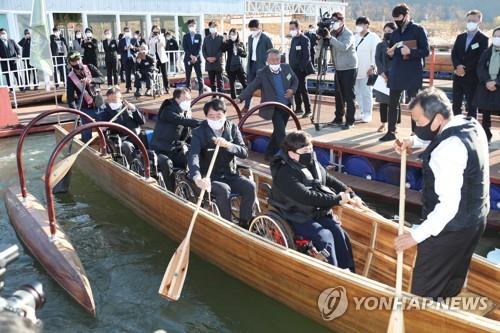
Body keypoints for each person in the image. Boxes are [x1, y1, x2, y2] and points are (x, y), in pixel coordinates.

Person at [394, 88, 489, 299]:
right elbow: (441, 136)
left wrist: (414, 236)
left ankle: (423, 320)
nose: (417, 128)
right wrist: (414, 141)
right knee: (451, 279)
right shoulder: (470, 124)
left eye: (419, 123)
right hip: (476, 220)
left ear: (437, 118)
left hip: (451, 228)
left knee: (424, 289)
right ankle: (444, 310)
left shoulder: (446, 152)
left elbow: (448, 207)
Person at [270, 131, 362, 270]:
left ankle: (347, 270)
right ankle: (333, 274)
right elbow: (306, 196)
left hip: (314, 212)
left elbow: (330, 180)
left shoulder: (311, 161)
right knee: (325, 237)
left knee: (339, 232)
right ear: (291, 154)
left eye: (311, 148)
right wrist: (337, 200)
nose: (310, 152)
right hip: (294, 214)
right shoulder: (285, 173)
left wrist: (352, 195)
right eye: (306, 150)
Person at [188, 98, 256, 227]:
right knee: (224, 189)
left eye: (218, 115)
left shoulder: (233, 128)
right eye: (211, 116)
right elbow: (193, 156)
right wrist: (197, 177)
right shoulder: (198, 132)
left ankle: (245, 223)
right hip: (210, 177)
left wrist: (229, 145)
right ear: (206, 117)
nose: (215, 119)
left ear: (225, 115)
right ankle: (227, 224)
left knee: (250, 186)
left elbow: (244, 152)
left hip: (230, 174)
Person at [235, 49, 298, 161]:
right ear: (267, 60)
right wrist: (240, 98)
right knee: (281, 133)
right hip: (273, 108)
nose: (275, 62)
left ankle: (268, 154)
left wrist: (292, 90)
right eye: (272, 60)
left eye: (277, 60)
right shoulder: (262, 73)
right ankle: (285, 158)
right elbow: (252, 86)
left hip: (287, 106)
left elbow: (295, 80)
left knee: (278, 131)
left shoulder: (286, 68)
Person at [380, 3, 429, 142]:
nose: (397, 21)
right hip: (397, 70)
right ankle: (391, 131)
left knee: (415, 103)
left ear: (406, 16)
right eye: (394, 18)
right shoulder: (395, 32)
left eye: (399, 18)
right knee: (393, 102)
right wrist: (391, 53)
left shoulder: (418, 30)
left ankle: (417, 132)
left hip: (413, 71)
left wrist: (411, 52)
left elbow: (425, 51)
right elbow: (393, 51)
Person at [150, 88, 202, 190]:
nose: (188, 102)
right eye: (185, 99)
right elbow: (180, 120)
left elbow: (187, 134)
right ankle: (171, 191)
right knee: (167, 163)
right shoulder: (167, 110)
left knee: (194, 158)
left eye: (189, 99)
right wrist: (200, 123)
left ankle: (195, 188)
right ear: (176, 99)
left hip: (176, 148)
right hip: (162, 149)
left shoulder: (186, 112)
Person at [451, 10, 489, 118]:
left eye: (474, 20)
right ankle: (456, 127)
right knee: (456, 105)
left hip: (472, 78)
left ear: (479, 21)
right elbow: (454, 54)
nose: (471, 22)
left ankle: (470, 130)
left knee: (472, 106)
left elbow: (480, 58)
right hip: (458, 76)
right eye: (469, 20)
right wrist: (458, 66)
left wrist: (465, 69)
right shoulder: (460, 37)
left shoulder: (483, 39)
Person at [327, 12, 358, 130]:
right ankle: (338, 118)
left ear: (342, 22)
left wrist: (330, 38)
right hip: (338, 68)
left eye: (335, 21)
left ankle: (350, 120)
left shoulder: (348, 33)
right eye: (332, 21)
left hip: (349, 68)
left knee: (349, 95)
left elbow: (344, 47)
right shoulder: (333, 33)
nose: (333, 23)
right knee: (338, 95)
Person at [97, 86, 145, 163]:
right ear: (108, 99)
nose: (114, 102)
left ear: (120, 98)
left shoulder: (127, 106)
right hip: (121, 139)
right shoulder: (104, 110)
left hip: (136, 136)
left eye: (116, 99)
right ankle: (134, 167)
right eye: (111, 100)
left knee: (146, 139)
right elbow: (101, 127)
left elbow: (142, 121)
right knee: (127, 146)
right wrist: (103, 127)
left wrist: (134, 110)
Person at [66, 51, 104, 142]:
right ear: (70, 63)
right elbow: (70, 98)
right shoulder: (71, 77)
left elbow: (102, 79)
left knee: (105, 130)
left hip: (99, 105)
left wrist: (91, 80)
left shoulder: (90, 67)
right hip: (85, 108)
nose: (77, 62)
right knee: (86, 135)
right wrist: (76, 112)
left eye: (78, 59)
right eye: (74, 61)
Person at [473, 27, 500, 144]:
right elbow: (480, 67)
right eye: (495, 36)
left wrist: (496, 82)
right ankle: (486, 136)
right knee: (485, 115)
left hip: (498, 85)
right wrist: (487, 81)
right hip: (486, 85)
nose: (497, 39)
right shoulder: (487, 52)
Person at [354, 16, 380, 123]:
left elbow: (376, 53)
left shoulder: (373, 37)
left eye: (361, 24)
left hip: (367, 69)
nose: (359, 27)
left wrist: (373, 66)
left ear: (367, 25)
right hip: (355, 69)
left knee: (366, 92)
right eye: (358, 24)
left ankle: (368, 113)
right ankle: (361, 111)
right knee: (357, 92)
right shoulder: (355, 37)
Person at [244, 19, 273, 112]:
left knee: (263, 87)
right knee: (249, 86)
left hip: (261, 65)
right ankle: (246, 106)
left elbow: (272, 52)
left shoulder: (266, 39)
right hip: (251, 64)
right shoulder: (250, 38)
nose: (252, 31)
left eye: (253, 29)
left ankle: (264, 107)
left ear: (258, 27)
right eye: (251, 29)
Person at [374, 22, 398, 133]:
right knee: (383, 101)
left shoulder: (398, 45)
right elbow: (377, 59)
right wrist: (382, 72)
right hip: (382, 75)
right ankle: (383, 123)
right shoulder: (380, 45)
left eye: (390, 31)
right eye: (386, 31)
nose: (387, 33)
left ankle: (395, 125)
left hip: (396, 75)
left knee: (395, 101)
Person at [288, 19, 314, 118]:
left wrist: (302, 68)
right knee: (295, 89)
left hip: (301, 69)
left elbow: (306, 56)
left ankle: (308, 110)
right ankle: (298, 108)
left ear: (298, 28)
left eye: (293, 29)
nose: (291, 31)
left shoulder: (305, 39)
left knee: (303, 89)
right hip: (293, 68)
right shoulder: (294, 39)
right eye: (290, 29)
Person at [221, 28, 247, 100]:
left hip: (239, 66)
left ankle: (246, 97)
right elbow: (222, 49)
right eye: (231, 34)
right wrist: (224, 40)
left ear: (237, 35)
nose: (233, 36)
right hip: (230, 66)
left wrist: (240, 51)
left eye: (234, 34)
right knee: (232, 83)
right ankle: (233, 98)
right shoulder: (228, 43)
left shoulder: (240, 43)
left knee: (244, 82)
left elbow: (245, 55)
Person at [183, 19, 204, 95]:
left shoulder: (199, 36)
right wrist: (191, 56)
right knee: (188, 76)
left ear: (195, 26)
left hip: (197, 59)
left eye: (193, 25)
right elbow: (185, 48)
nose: (191, 27)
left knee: (199, 76)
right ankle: (188, 92)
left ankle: (201, 92)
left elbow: (199, 47)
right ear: (188, 27)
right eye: (190, 25)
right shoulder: (185, 36)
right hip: (188, 58)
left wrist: (195, 57)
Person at [202, 21, 224, 93]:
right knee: (212, 81)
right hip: (209, 63)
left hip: (218, 62)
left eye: (214, 27)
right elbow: (203, 49)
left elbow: (222, 49)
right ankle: (213, 95)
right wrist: (207, 58)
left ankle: (221, 95)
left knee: (220, 80)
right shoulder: (206, 38)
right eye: (211, 27)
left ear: (217, 28)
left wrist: (216, 57)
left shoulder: (221, 38)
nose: (212, 28)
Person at [149, 25, 169, 94]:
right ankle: (156, 89)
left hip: (162, 57)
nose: (156, 32)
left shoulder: (162, 37)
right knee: (155, 74)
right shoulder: (150, 37)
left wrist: (159, 38)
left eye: (157, 30)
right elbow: (150, 45)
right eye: (154, 30)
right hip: (154, 58)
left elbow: (163, 44)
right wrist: (152, 37)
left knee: (164, 74)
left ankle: (167, 88)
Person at [118, 27, 139, 93]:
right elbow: (118, 50)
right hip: (126, 59)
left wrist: (133, 47)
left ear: (130, 32)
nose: (127, 32)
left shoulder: (134, 40)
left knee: (136, 73)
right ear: (124, 32)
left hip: (133, 58)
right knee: (127, 74)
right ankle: (128, 87)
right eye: (126, 31)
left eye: (128, 31)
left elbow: (139, 48)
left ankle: (137, 88)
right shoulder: (121, 41)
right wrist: (124, 48)